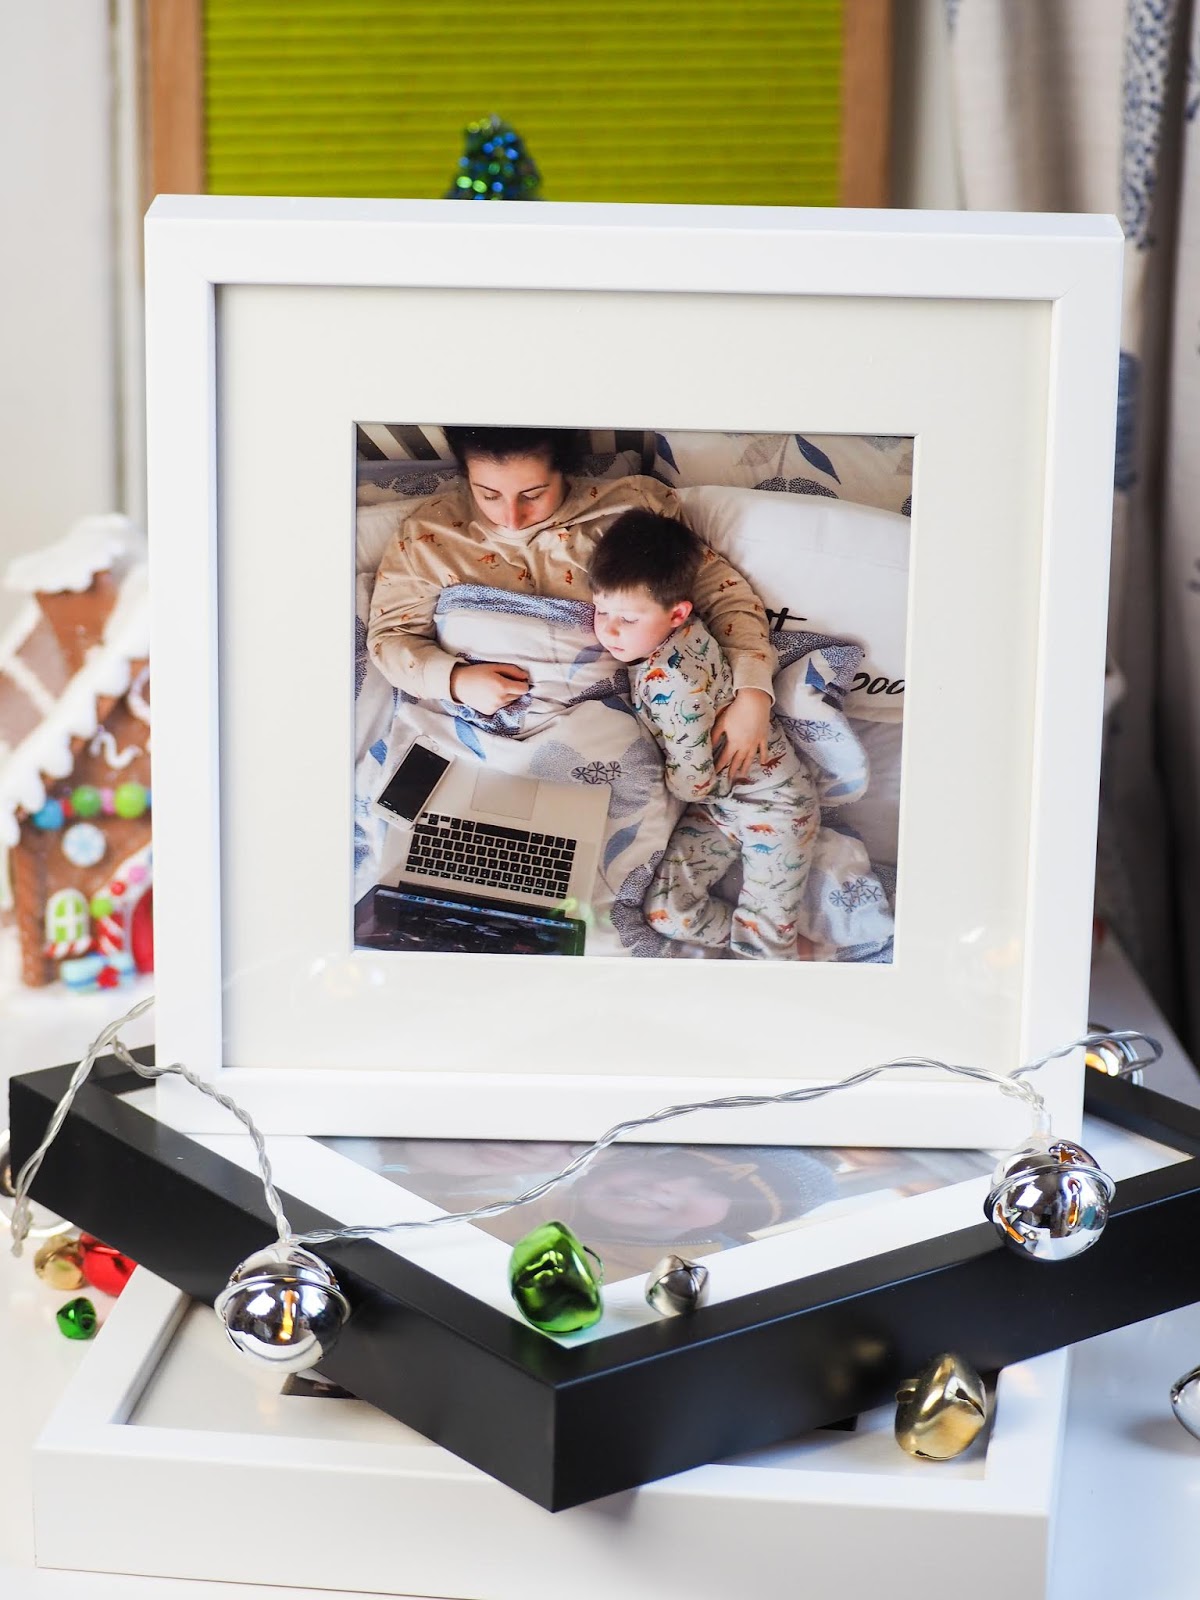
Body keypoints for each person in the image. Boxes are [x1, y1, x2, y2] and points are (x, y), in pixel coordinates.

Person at [367, 425, 776, 777]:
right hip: (468, 734)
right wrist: (455, 680)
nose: (511, 517)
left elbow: (724, 596)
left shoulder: (633, 510)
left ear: (563, 470)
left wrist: (753, 694)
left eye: (533, 494)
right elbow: (390, 638)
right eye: (488, 494)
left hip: (599, 734)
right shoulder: (427, 534)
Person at [588, 509, 820, 959]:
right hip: (719, 807)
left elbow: (692, 782)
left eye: (628, 619)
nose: (609, 630)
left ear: (678, 613)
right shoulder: (671, 637)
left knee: (764, 945)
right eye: (601, 610)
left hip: (774, 806)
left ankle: (778, 945)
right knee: (666, 912)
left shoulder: (675, 685)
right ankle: (779, 938)